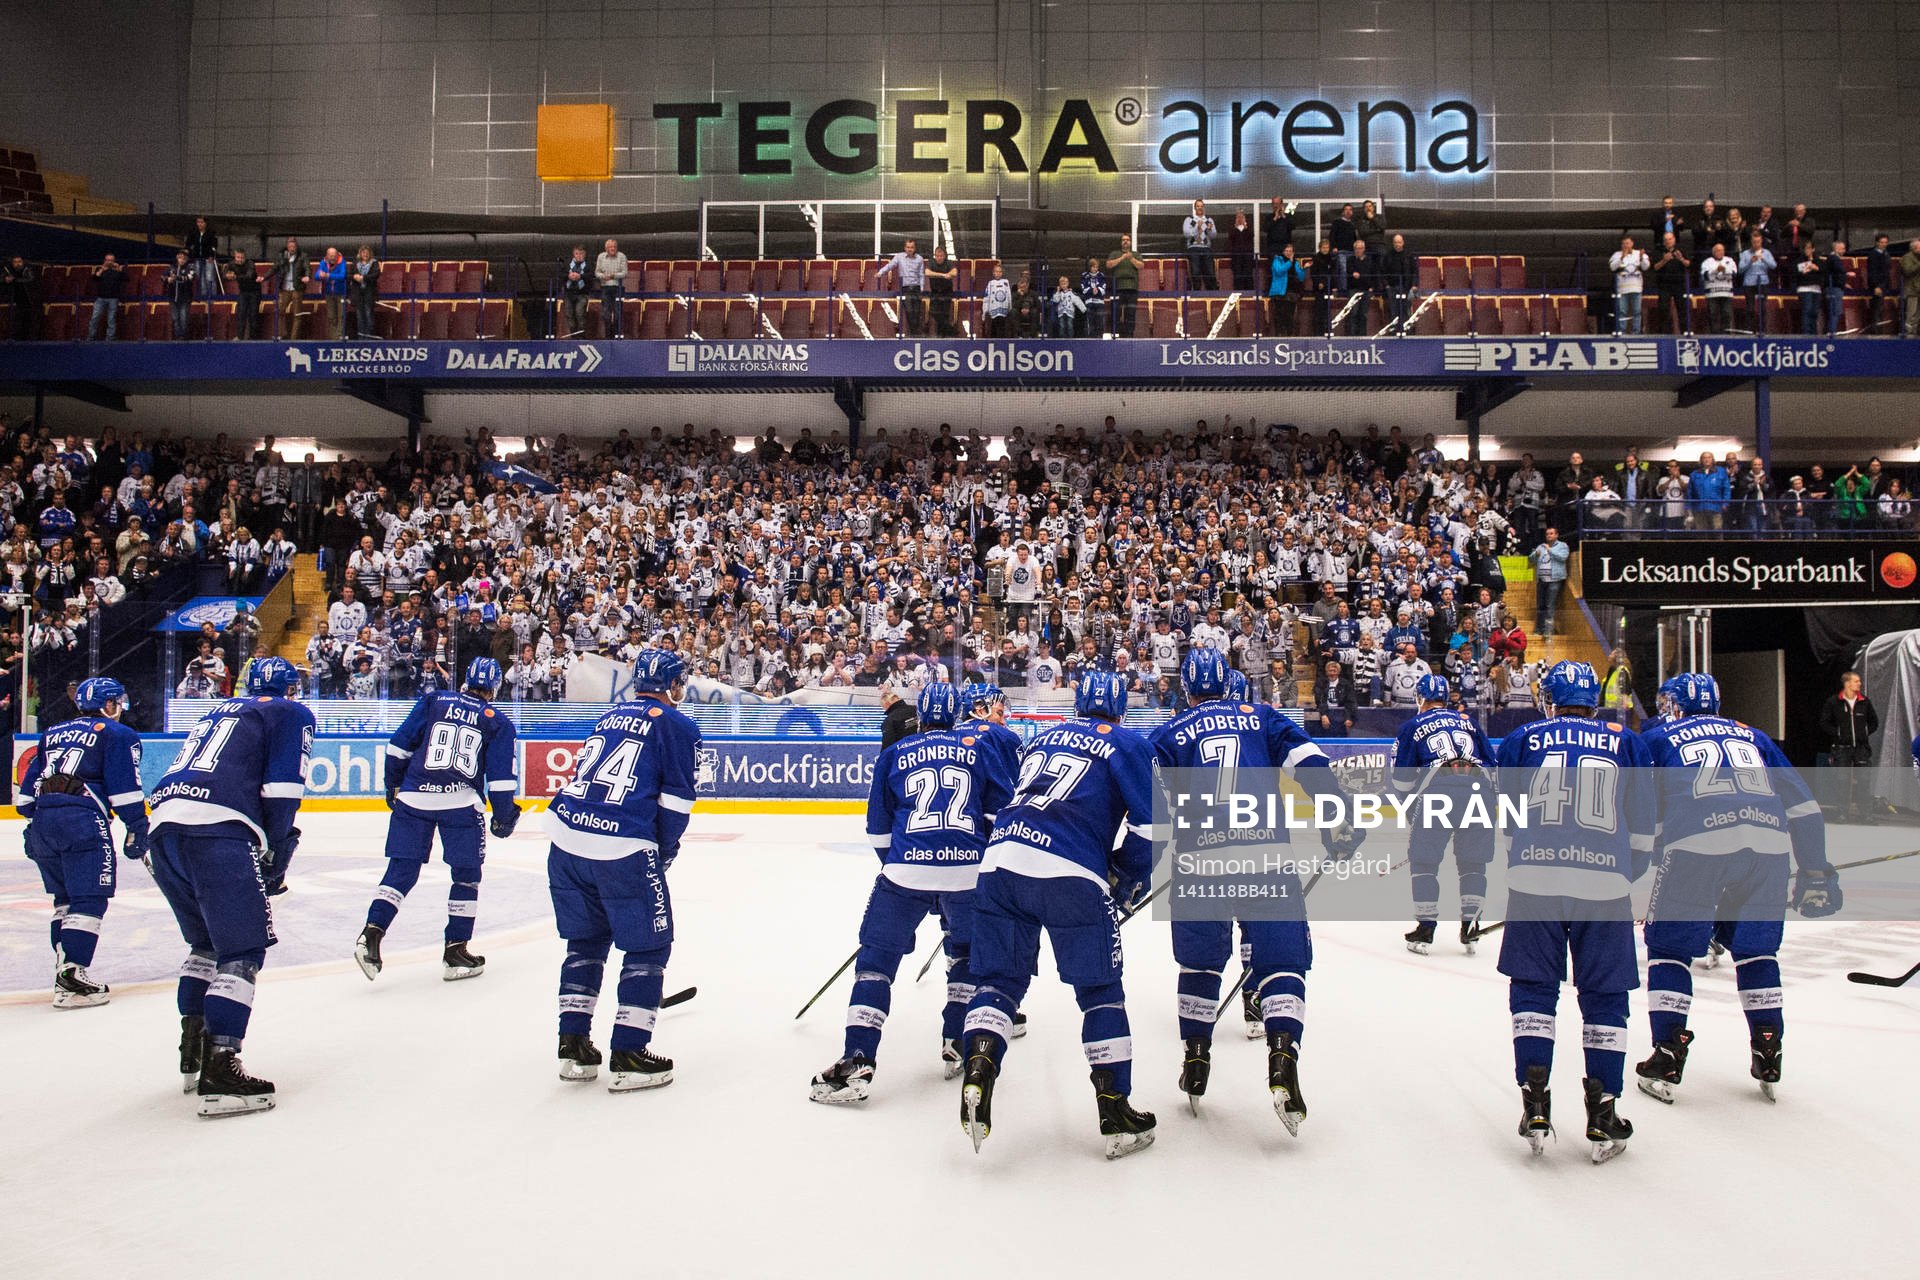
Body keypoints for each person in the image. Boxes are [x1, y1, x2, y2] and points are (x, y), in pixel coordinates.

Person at [1151, 649, 1360, 1128]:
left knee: (1199, 964)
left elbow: (1153, 806)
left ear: (1187, 689)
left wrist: (1140, 863)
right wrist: (1338, 817)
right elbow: (1311, 763)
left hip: (1199, 863)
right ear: (1229, 683)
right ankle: (1283, 1057)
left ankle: (1196, 1059)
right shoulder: (1261, 717)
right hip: (1265, 857)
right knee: (1283, 961)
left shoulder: (1169, 732)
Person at [958, 671, 1157, 1159]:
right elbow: (1154, 828)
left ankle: (979, 1068)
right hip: (1071, 871)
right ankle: (1115, 1110)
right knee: (1100, 990)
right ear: (1120, 708)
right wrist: (1125, 874)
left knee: (998, 981)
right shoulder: (1130, 744)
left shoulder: (1042, 738)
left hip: (1001, 862)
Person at [809, 683, 1015, 1103]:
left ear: (920, 717)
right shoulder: (980, 749)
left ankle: (858, 1058)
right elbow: (998, 816)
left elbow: (877, 829)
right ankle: (956, 1038)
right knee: (965, 954)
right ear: (955, 715)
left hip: (905, 872)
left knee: (876, 962)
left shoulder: (895, 753)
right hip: (966, 874)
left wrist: (902, 866)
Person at [1637, 673, 1835, 1107]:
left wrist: (1644, 858)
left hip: (1697, 846)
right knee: (1758, 951)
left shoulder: (1657, 737)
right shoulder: (1753, 735)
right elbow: (1804, 807)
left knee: (1669, 949)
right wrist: (1815, 869)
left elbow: (1644, 809)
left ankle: (1667, 1053)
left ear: (1673, 704)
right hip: (1767, 848)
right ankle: (1768, 1048)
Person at [1494, 660, 1654, 1163]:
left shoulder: (1522, 738)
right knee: (1605, 993)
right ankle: (1603, 1110)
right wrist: (1625, 872)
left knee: (1534, 987)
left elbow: (1507, 814)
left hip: (1534, 880)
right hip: (1604, 883)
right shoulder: (1627, 741)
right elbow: (1644, 823)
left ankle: (1535, 1100)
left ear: (1551, 699)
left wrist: (1528, 857)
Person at [146, 657, 315, 1116]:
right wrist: (275, 846)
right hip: (219, 831)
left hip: (163, 829)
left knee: (204, 943)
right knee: (241, 950)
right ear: (291, 689)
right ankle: (220, 1065)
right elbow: (283, 788)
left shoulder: (218, 710)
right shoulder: (291, 712)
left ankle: (193, 1048)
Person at [545, 649, 700, 1091]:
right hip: (622, 847)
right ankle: (630, 1052)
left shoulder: (609, 716)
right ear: (673, 684)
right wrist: (662, 850)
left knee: (586, 942)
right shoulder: (678, 726)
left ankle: (573, 1046)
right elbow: (676, 803)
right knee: (649, 946)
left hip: (565, 839)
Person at [352, 657, 522, 984]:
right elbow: (502, 780)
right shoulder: (497, 721)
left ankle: (371, 934)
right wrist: (504, 818)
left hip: (414, 797)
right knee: (466, 876)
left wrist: (393, 784)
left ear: (466, 679)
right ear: (495, 688)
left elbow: (398, 747)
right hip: (461, 804)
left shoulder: (435, 700)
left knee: (402, 869)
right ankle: (455, 950)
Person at [18, 677, 149, 1010]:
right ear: (108, 704)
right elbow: (125, 790)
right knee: (89, 898)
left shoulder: (52, 733)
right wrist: (138, 826)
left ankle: (63, 969)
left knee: (64, 900)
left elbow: (24, 800)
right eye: (117, 701)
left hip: (43, 822)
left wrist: (41, 823)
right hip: (82, 822)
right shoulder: (119, 734)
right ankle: (72, 978)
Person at [1391, 674, 1495, 956]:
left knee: (1424, 862)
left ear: (1419, 698)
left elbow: (1401, 780)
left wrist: (1413, 811)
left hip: (1439, 789)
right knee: (1473, 863)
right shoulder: (1469, 722)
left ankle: (1425, 929)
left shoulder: (1412, 726)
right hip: (1479, 789)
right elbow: (1492, 764)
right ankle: (1471, 925)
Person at [1817, 669, 1878, 822]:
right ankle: (1842, 812)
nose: (1859, 683)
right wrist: (1838, 733)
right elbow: (1824, 722)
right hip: (1841, 748)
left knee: (1864, 779)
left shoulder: (1864, 702)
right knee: (1842, 780)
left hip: (1861, 748)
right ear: (1847, 683)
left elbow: (1874, 722)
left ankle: (1866, 814)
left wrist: (1863, 734)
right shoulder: (1833, 702)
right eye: (1856, 681)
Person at [875, 238, 927, 337]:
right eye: (908, 247)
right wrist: (880, 272)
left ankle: (915, 335)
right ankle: (914, 335)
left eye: (912, 247)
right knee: (909, 312)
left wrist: (921, 289)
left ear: (915, 248)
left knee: (917, 313)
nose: (910, 249)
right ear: (905, 248)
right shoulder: (899, 257)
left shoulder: (920, 259)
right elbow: (890, 266)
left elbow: (921, 275)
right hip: (905, 288)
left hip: (916, 288)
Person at [1529, 528, 1569, 639]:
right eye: (1547, 534)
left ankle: (1548, 630)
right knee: (1540, 606)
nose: (1549, 536)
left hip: (1554, 580)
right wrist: (1535, 554)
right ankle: (1539, 629)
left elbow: (1563, 558)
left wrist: (1550, 550)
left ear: (1557, 535)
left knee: (1550, 606)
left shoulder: (1562, 546)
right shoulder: (1541, 546)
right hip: (1541, 580)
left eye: (1551, 533)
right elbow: (1530, 560)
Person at [269, 237, 310, 340]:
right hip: (285, 288)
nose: (292, 248)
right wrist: (264, 277)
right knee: (279, 311)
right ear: (287, 247)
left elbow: (307, 267)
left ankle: (293, 339)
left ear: (296, 246)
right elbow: (274, 268)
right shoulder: (282, 256)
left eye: (294, 246)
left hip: (297, 287)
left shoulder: (302, 255)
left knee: (297, 314)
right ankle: (282, 334)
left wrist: (307, 276)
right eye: (290, 246)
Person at [1608, 236, 1649, 334]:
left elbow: (1646, 267)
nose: (1625, 246)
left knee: (1637, 311)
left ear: (1632, 244)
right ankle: (1622, 332)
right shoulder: (1616, 254)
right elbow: (1612, 267)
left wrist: (1641, 258)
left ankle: (1636, 332)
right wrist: (1622, 257)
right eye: (1623, 244)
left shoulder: (1639, 253)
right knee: (1622, 311)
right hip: (1622, 289)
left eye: (1627, 243)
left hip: (1636, 288)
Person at [1649, 232, 1689, 334]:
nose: (1668, 241)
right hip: (1664, 285)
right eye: (1666, 240)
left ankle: (1685, 332)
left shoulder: (1681, 250)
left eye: (1670, 239)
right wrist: (1664, 260)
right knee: (1663, 309)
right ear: (1663, 241)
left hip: (1679, 284)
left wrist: (1681, 259)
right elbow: (1654, 267)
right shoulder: (1658, 251)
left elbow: (1689, 264)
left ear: (1674, 240)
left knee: (1682, 308)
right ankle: (1664, 333)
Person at [1105, 235, 1144, 337]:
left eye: (1127, 240)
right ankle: (1115, 334)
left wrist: (1131, 258)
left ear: (1130, 242)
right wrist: (1122, 258)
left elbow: (1141, 266)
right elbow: (1108, 265)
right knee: (1116, 313)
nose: (1125, 241)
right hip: (1117, 289)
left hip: (1132, 289)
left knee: (1130, 313)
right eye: (1123, 240)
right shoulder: (1115, 253)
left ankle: (1129, 336)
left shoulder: (1136, 254)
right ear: (1120, 242)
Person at [1738, 232, 1776, 334]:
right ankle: (1750, 331)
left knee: (1762, 308)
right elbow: (1740, 269)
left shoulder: (1767, 253)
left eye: (1758, 242)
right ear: (1751, 242)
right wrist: (1750, 261)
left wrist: (1764, 259)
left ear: (1761, 241)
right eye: (1754, 242)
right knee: (1750, 308)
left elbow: (1773, 266)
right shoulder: (1745, 253)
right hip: (1749, 283)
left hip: (1763, 282)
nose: (1756, 244)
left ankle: (1762, 330)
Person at [1266, 241, 1306, 336]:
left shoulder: (1295, 262)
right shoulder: (1277, 260)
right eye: (1287, 251)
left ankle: (1289, 334)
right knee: (1280, 314)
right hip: (1279, 292)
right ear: (1283, 252)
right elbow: (1279, 271)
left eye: (1290, 251)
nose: (1288, 253)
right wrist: (1289, 263)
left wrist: (1303, 269)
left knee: (1290, 315)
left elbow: (1301, 278)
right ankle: (1279, 334)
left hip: (1292, 292)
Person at [1379, 233, 1416, 334]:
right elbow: (1383, 271)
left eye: (1399, 242)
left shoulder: (1409, 255)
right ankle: (1394, 333)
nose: (1397, 244)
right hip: (1392, 287)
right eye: (1395, 242)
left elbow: (1414, 271)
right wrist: (1386, 285)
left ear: (1403, 243)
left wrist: (1414, 285)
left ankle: (1406, 332)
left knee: (1405, 311)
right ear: (1393, 243)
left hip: (1406, 287)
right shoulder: (1388, 255)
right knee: (1393, 311)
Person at [225, 251, 263, 340]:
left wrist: (235, 277)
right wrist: (227, 275)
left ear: (245, 258)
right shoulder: (231, 264)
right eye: (238, 257)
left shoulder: (250, 263)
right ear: (235, 257)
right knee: (241, 313)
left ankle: (253, 338)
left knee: (253, 315)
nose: (240, 259)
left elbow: (249, 276)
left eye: (242, 257)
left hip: (255, 291)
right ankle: (239, 337)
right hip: (243, 291)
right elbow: (224, 273)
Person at [1699, 242, 1736, 333]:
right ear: (1713, 252)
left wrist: (1725, 270)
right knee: (1713, 314)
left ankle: (1726, 334)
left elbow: (1734, 274)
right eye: (1718, 250)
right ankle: (1714, 335)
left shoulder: (1730, 260)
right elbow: (1704, 276)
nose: (1720, 252)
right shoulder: (1707, 262)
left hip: (1726, 293)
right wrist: (1716, 270)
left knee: (1727, 314)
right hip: (1712, 293)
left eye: (1722, 250)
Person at [311, 247, 348, 339]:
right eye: (331, 256)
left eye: (334, 256)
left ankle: (339, 336)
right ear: (327, 256)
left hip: (340, 293)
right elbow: (316, 276)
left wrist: (328, 275)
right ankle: (333, 337)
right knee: (331, 316)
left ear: (337, 255)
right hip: (329, 293)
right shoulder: (323, 263)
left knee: (341, 315)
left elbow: (342, 276)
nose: (332, 258)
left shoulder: (342, 262)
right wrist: (321, 275)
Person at [1182, 198, 1218, 290]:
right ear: (1195, 208)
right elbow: (1186, 233)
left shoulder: (1209, 220)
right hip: (1193, 248)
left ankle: (1212, 293)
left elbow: (1214, 235)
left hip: (1206, 248)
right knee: (1195, 271)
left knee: (1210, 272)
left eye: (1201, 206)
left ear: (1204, 207)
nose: (1200, 208)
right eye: (1198, 206)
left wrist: (1209, 229)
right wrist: (1197, 228)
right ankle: (1196, 292)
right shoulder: (1189, 219)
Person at [594, 238, 627, 339]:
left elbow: (624, 273)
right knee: (606, 314)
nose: (613, 249)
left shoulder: (622, 256)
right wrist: (603, 276)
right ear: (606, 248)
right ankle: (608, 337)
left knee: (617, 313)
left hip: (618, 287)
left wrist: (613, 276)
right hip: (605, 287)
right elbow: (597, 272)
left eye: (614, 247)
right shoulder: (601, 257)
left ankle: (617, 335)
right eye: (611, 247)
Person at [88, 253, 125, 341]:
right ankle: (91, 337)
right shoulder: (100, 269)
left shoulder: (117, 271)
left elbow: (126, 278)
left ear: (114, 261)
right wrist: (102, 269)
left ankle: (110, 337)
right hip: (100, 298)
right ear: (104, 261)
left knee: (111, 319)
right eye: (108, 260)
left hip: (113, 298)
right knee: (95, 317)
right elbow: (94, 278)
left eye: (111, 260)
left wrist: (119, 269)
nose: (109, 262)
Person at [185, 215, 221, 297]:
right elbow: (188, 244)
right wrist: (189, 251)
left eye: (202, 222)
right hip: (197, 258)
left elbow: (214, 245)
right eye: (198, 222)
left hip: (208, 258)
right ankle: (203, 295)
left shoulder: (211, 233)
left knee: (209, 277)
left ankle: (212, 296)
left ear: (206, 223)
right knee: (200, 277)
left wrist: (211, 255)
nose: (200, 224)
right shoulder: (193, 233)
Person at [925, 245, 958, 337]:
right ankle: (951, 331)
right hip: (935, 292)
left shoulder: (949, 263)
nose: (939, 258)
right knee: (933, 312)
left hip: (946, 292)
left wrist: (948, 274)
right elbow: (927, 273)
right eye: (937, 256)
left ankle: (942, 335)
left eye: (941, 256)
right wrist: (943, 275)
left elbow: (954, 272)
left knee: (944, 315)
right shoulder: (931, 262)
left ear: (944, 256)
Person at [348, 245, 380, 340]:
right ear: (360, 254)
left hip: (369, 293)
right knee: (360, 317)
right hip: (358, 294)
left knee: (368, 315)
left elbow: (376, 275)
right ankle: (361, 338)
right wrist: (354, 277)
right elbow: (348, 275)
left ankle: (369, 337)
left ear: (370, 254)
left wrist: (363, 278)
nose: (365, 254)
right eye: (363, 253)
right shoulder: (355, 263)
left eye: (367, 253)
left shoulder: (374, 263)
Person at [560, 244, 591, 337]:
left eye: (581, 254)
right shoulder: (567, 264)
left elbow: (591, 277)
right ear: (573, 254)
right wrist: (568, 276)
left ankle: (581, 335)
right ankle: (573, 335)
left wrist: (580, 276)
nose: (579, 256)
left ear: (584, 254)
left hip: (582, 293)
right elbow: (560, 275)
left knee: (580, 313)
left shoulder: (588, 265)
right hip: (568, 293)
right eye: (577, 254)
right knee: (569, 314)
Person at [3, 254, 37, 339]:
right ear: (12, 263)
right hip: (12, 300)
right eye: (15, 262)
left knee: (26, 322)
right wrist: (5, 279)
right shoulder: (7, 270)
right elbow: (3, 278)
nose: (18, 264)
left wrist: (14, 280)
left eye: (19, 261)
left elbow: (30, 279)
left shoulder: (27, 269)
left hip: (26, 301)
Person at [1821, 239, 1849, 337]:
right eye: (1842, 248)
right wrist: (1846, 274)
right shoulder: (1834, 259)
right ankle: (1831, 332)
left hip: (1835, 287)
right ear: (1836, 249)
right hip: (1834, 289)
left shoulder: (1833, 259)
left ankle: (1831, 331)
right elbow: (1839, 271)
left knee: (1834, 311)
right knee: (1834, 311)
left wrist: (1844, 283)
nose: (1844, 251)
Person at [1077, 256, 1110, 338]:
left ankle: (1099, 337)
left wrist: (1097, 290)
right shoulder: (1084, 276)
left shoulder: (1101, 276)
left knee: (1100, 321)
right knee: (1090, 321)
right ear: (1090, 267)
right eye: (1093, 267)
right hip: (1089, 302)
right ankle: (1090, 337)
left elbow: (1103, 288)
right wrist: (1092, 290)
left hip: (1099, 302)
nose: (1095, 269)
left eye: (1096, 267)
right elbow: (1083, 289)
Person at [980, 263, 1012, 338]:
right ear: (993, 273)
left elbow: (1009, 295)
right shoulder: (990, 283)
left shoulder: (1006, 282)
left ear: (1002, 273)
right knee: (994, 327)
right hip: (993, 310)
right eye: (996, 271)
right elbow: (986, 297)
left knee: (1003, 327)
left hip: (1004, 309)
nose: (998, 273)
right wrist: (985, 311)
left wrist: (1009, 307)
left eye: (1000, 272)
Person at [1227, 209, 1255, 289]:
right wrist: (1235, 228)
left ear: (1244, 218)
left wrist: (1246, 228)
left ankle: (1249, 291)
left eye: (1241, 217)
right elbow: (1231, 238)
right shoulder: (1233, 229)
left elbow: (1251, 236)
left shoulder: (1248, 228)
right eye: (1238, 217)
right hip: (1236, 256)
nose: (1240, 219)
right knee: (1237, 275)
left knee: (1248, 274)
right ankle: (1238, 291)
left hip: (1247, 256)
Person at [1905, 239, 1920, 339]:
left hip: (1919, 289)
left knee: (1918, 314)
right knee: (1912, 313)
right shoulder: (1907, 258)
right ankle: (1909, 332)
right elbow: (1908, 271)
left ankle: (1915, 331)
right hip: (1912, 290)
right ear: (1914, 248)